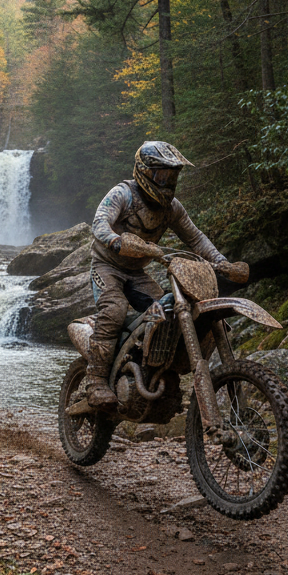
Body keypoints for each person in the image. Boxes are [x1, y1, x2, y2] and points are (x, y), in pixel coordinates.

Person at [86, 140, 242, 408]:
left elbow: (195, 237)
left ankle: (152, 372)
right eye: (161, 174)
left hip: (137, 272)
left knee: (169, 313)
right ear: (144, 171)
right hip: (107, 266)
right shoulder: (123, 194)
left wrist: (221, 262)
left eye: (172, 176)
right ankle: (96, 381)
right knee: (114, 309)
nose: (167, 181)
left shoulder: (172, 208)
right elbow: (100, 221)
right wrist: (116, 240)